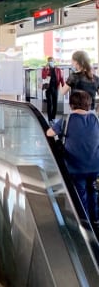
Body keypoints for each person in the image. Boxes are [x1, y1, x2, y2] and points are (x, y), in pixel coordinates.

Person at [46, 90, 99, 224]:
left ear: (71, 105)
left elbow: (49, 133)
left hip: (75, 166)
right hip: (95, 165)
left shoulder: (66, 119)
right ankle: (96, 218)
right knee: (92, 190)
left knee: (80, 192)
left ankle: (85, 222)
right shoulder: (95, 118)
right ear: (88, 104)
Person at [41, 56, 63, 122]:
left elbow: (61, 78)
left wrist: (64, 85)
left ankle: (53, 118)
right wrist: (45, 69)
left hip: (55, 88)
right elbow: (43, 77)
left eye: (52, 61)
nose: (50, 62)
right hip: (48, 88)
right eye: (49, 61)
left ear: (54, 61)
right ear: (47, 62)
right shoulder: (46, 69)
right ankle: (49, 119)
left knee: (55, 103)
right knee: (49, 104)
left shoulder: (58, 69)